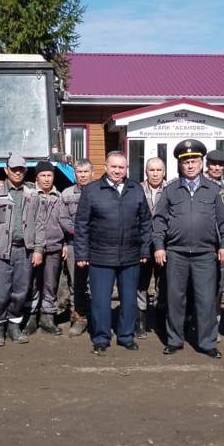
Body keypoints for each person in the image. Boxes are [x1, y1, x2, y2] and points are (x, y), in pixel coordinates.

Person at [152, 140, 224, 359]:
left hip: (205, 254)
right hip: (176, 253)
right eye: (185, 161)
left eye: (194, 161)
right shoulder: (170, 190)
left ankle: (207, 342)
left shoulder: (215, 190)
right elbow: (159, 220)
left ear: (201, 163)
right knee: (175, 299)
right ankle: (174, 340)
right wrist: (159, 247)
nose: (190, 165)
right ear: (180, 164)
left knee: (206, 300)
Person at [74, 151, 152, 355]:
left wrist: (144, 248)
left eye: (122, 167)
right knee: (100, 300)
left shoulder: (136, 189)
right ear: (106, 166)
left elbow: (145, 222)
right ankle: (101, 338)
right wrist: (81, 254)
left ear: (126, 169)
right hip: (100, 255)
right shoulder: (92, 190)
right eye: (114, 166)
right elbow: (81, 225)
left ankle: (126, 336)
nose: (118, 170)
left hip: (130, 255)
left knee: (128, 300)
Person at [0, 153, 38, 346]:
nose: (17, 173)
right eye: (14, 169)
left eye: (21, 169)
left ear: (25, 171)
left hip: (24, 250)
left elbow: (38, 223)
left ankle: (14, 326)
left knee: (21, 291)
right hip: (1, 252)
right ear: (6, 170)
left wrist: (38, 249)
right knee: (0, 293)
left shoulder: (32, 194)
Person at [26, 160, 71, 336]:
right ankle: (31, 317)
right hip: (32, 249)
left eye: (49, 175)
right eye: (43, 175)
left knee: (50, 285)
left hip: (54, 247)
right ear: (36, 177)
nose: (46, 179)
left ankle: (47, 318)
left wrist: (66, 244)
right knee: (32, 284)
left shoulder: (59, 197)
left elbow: (65, 222)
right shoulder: (29, 195)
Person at [62, 158, 94, 337]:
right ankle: (79, 318)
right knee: (77, 284)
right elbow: (63, 218)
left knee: (97, 284)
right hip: (74, 244)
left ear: (92, 172)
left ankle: (96, 318)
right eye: (79, 172)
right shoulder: (66, 194)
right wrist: (77, 232)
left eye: (85, 172)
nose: (82, 175)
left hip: (96, 245)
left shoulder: (100, 191)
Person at [204, 149, 224, 338]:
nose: (216, 168)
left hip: (220, 245)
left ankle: (214, 324)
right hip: (201, 243)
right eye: (213, 164)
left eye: (220, 165)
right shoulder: (199, 184)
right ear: (207, 165)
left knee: (218, 286)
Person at [136, 157, 167, 339]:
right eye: (151, 170)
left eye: (158, 170)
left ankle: (161, 319)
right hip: (143, 244)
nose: (155, 174)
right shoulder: (137, 189)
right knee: (141, 283)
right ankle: (140, 319)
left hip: (164, 244)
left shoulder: (171, 190)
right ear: (146, 172)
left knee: (163, 282)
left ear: (164, 172)